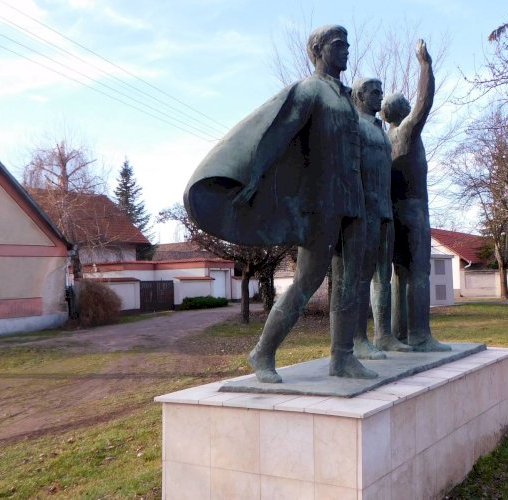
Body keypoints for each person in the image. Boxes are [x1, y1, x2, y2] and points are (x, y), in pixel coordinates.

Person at [184, 25, 377, 382]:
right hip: (321, 201)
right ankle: (263, 352)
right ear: (318, 50)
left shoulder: (347, 98)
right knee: (307, 281)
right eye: (339, 44)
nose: (347, 49)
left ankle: (343, 357)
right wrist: (254, 175)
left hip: (354, 199)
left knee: (351, 282)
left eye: (347, 44)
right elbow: (278, 134)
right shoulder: (310, 90)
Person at [381, 40, 450, 352]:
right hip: (413, 212)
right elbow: (425, 101)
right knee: (419, 273)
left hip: (393, 212)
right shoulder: (406, 132)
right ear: (401, 111)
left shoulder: (384, 140)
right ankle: (420, 335)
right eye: (406, 105)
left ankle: (399, 334)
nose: (412, 106)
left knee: (400, 274)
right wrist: (425, 66)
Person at [351, 77, 412, 358]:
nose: (380, 97)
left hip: (385, 210)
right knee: (361, 277)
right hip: (365, 211)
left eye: (381, 92)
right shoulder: (354, 125)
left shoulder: (381, 131)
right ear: (360, 96)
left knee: (383, 276)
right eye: (374, 92)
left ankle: (383, 335)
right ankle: (357, 340)